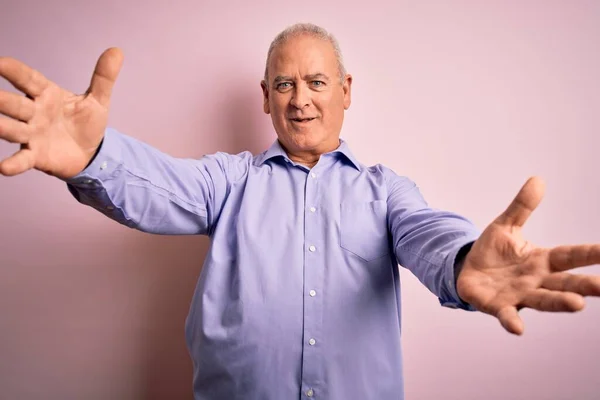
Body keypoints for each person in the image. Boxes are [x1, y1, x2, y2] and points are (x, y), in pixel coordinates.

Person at [0, 22, 599, 400]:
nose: (301, 99)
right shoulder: (229, 180)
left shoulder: (386, 191)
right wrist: (93, 155)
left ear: (346, 90)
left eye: (316, 81)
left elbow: (427, 234)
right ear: (265, 98)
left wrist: (466, 259)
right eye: (284, 84)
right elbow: (159, 187)